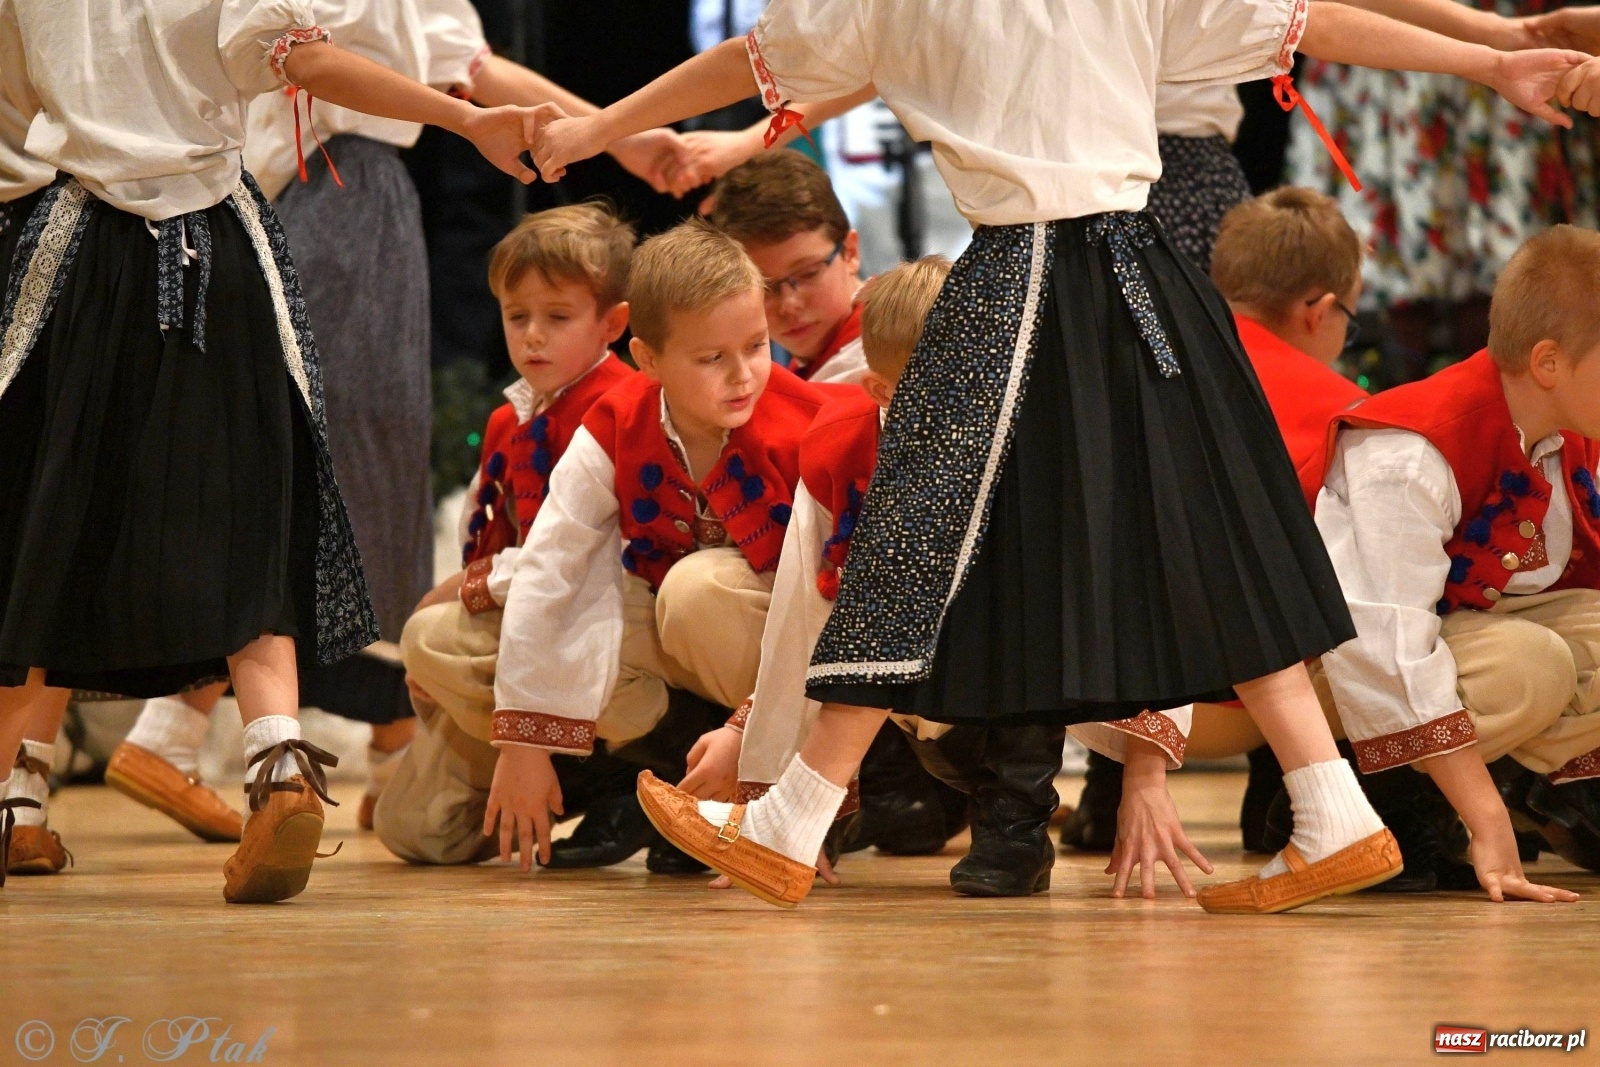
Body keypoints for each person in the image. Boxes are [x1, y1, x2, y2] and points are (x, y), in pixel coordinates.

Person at [529, 0, 1592, 912]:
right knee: (1205, 533)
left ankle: (795, 817)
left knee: (916, 528)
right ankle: (1329, 802)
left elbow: (761, 56)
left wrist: (598, 125)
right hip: (1141, 272)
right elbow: (1303, 19)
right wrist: (1489, 57)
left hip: (1030, 274)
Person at [0, 0, 546, 902]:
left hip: (77, 242)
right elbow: (303, 59)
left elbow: (17, 110)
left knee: (52, 504)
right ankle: (279, 764)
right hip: (212, 235)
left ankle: (17, 800)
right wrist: (463, 118)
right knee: (253, 496)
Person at [480, 221, 835, 872]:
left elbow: (825, 613)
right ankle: (685, 787)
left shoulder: (807, 428)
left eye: (757, 347)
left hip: (817, 674)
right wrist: (524, 741)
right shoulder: (617, 420)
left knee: (697, 592)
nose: (743, 376)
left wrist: (750, 738)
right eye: (711, 358)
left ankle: (792, 802)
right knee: (575, 607)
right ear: (647, 360)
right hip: (705, 666)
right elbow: (554, 565)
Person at [373, 202, 703, 872]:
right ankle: (571, 773)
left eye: (557, 317)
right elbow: (492, 542)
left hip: (612, 615)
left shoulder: (630, 407)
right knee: (416, 828)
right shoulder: (511, 418)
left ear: (613, 322)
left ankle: (639, 772)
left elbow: (591, 560)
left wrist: (459, 594)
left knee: (433, 635)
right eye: (516, 316)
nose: (532, 337)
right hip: (537, 621)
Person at [1313, 224, 1600, 904]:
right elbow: (1380, 650)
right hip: (1329, 666)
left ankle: (1516, 781)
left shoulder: (1569, 428)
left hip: (1451, 637)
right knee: (1535, 664)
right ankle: (1391, 793)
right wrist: (1489, 820)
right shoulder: (1413, 453)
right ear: (1549, 362)